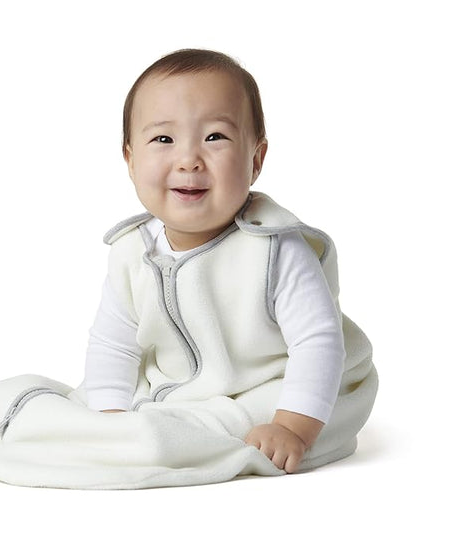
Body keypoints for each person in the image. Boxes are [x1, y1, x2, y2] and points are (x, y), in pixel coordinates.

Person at [82, 48, 377, 474]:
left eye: (215, 137)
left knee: (249, 415)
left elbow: (317, 343)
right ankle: (143, 433)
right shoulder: (131, 252)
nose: (189, 160)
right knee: (82, 399)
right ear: (130, 159)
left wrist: (291, 427)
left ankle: (180, 436)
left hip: (277, 387)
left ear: (255, 159)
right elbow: (113, 345)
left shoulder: (275, 249)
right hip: (180, 390)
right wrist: (108, 422)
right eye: (163, 139)